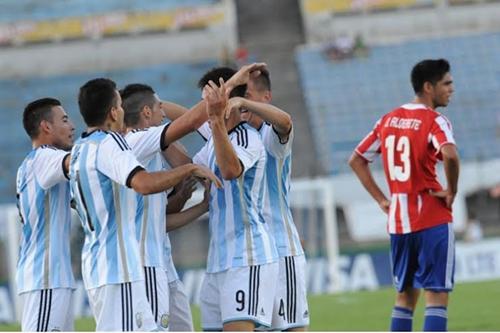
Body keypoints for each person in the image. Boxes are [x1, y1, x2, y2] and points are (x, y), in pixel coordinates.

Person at [70, 78, 221, 331]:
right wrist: (190, 168)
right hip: (126, 264)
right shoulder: (118, 142)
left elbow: (154, 216)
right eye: (118, 104)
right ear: (114, 112)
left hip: (109, 264)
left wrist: (189, 201)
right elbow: (145, 183)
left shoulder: (80, 150)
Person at [348, 59, 460, 331]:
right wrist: (452, 190)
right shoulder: (435, 120)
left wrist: (381, 199)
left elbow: (356, 159)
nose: (451, 89)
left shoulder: (388, 119)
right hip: (431, 216)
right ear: (428, 87)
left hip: (399, 221)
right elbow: (450, 154)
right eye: (446, 83)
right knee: (436, 295)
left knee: (405, 297)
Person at [193, 69, 279, 331]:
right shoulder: (213, 141)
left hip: (247, 256)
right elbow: (191, 168)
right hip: (218, 260)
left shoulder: (247, 138)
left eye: (207, 100)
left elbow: (230, 171)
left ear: (226, 100)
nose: (204, 109)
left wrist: (216, 119)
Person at [225, 68, 310, 331]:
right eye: (239, 97)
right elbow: (189, 119)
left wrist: (242, 101)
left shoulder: (271, 136)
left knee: (290, 328)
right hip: (251, 256)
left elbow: (286, 122)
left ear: (266, 97)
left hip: (282, 250)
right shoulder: (232, 139)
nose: (241, 104)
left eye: (248, 96)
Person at [120, 83, 209, 331]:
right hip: (143, 262)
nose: (164, 111)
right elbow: (189, 123)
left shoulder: (151, 149)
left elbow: (160, 219)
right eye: (160, 107)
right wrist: (222, 96)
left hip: (162, 262)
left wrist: (196, 204)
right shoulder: (134, 140)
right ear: (147, 112)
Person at [16, 98, 76, 331]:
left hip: (53, 278)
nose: (72, 126)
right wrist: (104, 138)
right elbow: (78, 161)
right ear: (46, 127)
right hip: (46, 278)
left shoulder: (33, 163)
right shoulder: (45, 157)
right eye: (64, 119)